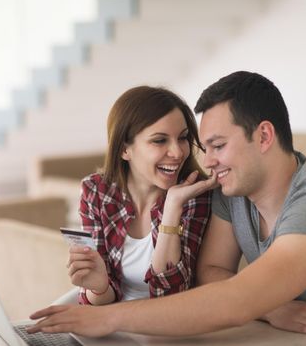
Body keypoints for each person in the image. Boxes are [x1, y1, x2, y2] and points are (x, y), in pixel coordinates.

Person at [27, 72, 306, 341]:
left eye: (216, 146)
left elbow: (235, 302)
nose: (203, 161)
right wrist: (271, 306)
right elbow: (211, 271)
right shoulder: (234, 194)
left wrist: (108, 318)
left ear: (263, 136)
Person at [66, 86, 216, 306]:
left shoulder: (197, 197)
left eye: (183, 138)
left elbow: (171, 299)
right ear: (124, 149)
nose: (177, 152)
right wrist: (98, 286)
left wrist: (173, 207)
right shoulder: (96, 191)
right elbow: (98, 300)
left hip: (167, 326)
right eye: (159, 140)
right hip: (111, 316)